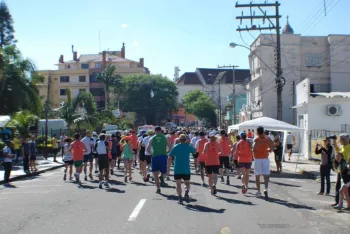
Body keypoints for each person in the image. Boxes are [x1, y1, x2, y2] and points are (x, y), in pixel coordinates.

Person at [169, 134, 196, 204]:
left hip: (177, 168)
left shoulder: (175, 147)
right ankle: (186, 192)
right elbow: (195, 152)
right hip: (186, 169)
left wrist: (168, 167)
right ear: (186, 140)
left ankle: (180, 198)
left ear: (179, 140)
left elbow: (170, 157)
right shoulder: (188, 147)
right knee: (187, 183)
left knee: (178, 184)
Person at [147, 126, 171, 194]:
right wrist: (166, 152)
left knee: (155, 174)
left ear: (155, 131)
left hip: (155, 157)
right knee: (164, 172)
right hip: (163, 156)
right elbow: (170, 146)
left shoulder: (152, 138)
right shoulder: (165, 138)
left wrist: (152, 153)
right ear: (161, 131)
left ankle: (158, 188)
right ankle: (161, 177)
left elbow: (148, 149)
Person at [253, 126, 274, 200]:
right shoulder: (267, 138)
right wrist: (268, 150)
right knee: (266, 175)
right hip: (265, 158)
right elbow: (272, 146)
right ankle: (266, 189)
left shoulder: (256, 139)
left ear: (257, 132)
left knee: (257, 175)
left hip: (258, 159)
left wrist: (255, 150)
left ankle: (258, 191)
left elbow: (254, 148)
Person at [332, 133, 350, 207]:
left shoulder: (348, 147)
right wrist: (334, 141)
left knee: (345, 189)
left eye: (340, 139)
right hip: (341, 170)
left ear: (344, 140)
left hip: (347, 171)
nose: (339, 140)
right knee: (338, 187)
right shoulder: (342, 147)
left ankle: (347, 204)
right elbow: (337, 150)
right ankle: (338, 202)